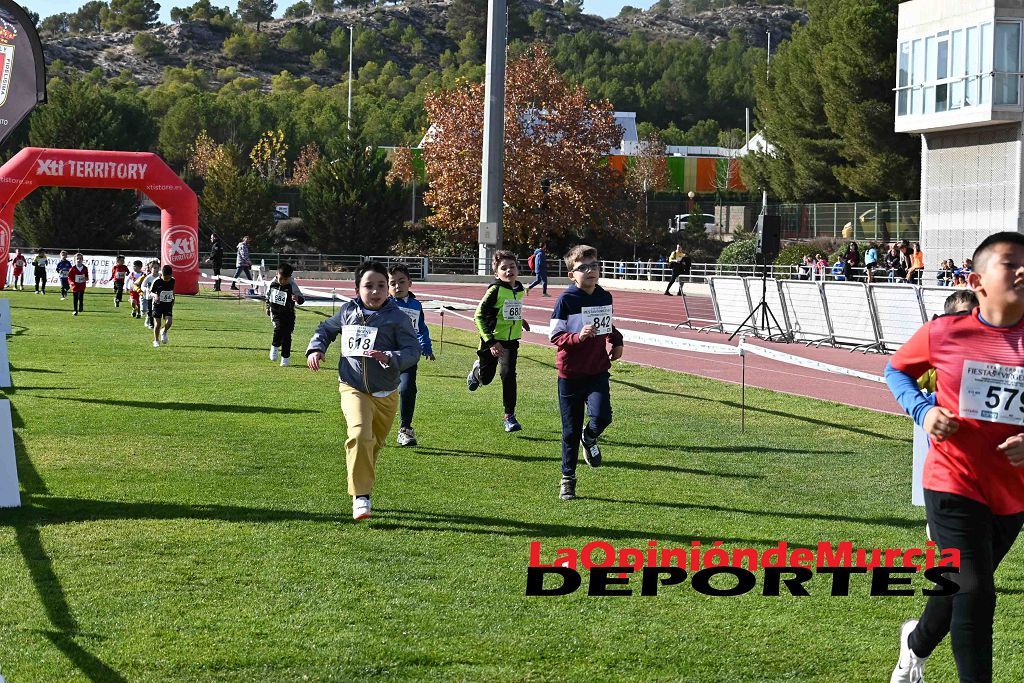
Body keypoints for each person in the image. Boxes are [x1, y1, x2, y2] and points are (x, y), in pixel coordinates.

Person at [884, 232, 1024, 683]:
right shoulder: (945, 332)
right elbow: (896, 370)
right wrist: (924, 411)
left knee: (961, 587)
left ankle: (915, 643)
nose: (1023, 271)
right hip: (952, 483)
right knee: (977, 592)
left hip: (1011, 492)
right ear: (976, 281)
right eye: (1011, 263)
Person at [305, 261, 421, 521]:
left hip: (387, 393)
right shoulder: (347, 311)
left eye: (381, 285)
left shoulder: (397, 318)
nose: (376, 291)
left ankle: (362, 484)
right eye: (369, 286)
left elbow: (413, 351)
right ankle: (361, 497)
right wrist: (316, 348)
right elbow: (326, 328)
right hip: (352, 386)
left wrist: (390, 356)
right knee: (359, 435)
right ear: (357, 288)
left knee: (373, 445)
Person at [549, 245, 624, 501]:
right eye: (583, 267)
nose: (590, 271)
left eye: (594, 265)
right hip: (570, 374)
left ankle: (589, 437)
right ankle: (567, 479)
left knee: (603, 417)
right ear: (572, 274)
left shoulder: (604, 296)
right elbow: (555, 335)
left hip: (597, 371)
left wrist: (617, 340)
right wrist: (577, 337)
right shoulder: (566, 300)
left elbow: (607, 324)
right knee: (569, 431)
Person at [466, 249, 531, 433]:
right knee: (486, 379)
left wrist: (520, 320)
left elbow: (510, 309)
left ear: (518, 269)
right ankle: (477, 370)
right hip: (492, 341)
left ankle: (509, 416)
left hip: (511, 342)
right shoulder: (494, 290)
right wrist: (491, 342)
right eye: (504, 268)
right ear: (497, 273)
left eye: (512, 267)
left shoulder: (519, 289)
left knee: (508, 376)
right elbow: (478, 316)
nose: (509, 271)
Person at [388, 264, 435, 447]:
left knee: (408, 389)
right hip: (386, 355)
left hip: (409, 354)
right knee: (381, 393)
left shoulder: (416, 305)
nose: (397, 286)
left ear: (410, 283)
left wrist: (427, 347)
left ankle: (405, 429)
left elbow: (421, 328)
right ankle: (371, 426)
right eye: (393, 283)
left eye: (401, 282)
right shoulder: (385, 304)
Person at [266, 262, 305, 367]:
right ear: (277, 274)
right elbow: (267, 296)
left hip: (289, 314)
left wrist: (297, 298)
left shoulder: (292, 285)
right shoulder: (272, 284)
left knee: (287, 336)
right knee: (278, 328)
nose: (283, 281)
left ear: (290, 278)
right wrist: (267, 307)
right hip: (275, 312)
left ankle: (285, 358)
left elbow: (302, 299)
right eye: (281, 278)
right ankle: (274, 347)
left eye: (285, 279)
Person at [149, 265, 175, 347]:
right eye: (165, 278)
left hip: (168, 304)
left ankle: (164, 331)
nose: (167, 280)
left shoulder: (173, 281)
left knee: (169, 322)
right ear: (162, 275)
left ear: (171, 275)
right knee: (158, 324)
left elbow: (172, 291)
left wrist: (173, 299)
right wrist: (155, 296)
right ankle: (156, 340)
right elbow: (151, 292)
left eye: (168, 278)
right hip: (158, 305)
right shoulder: (157, 281)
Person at [141, 261, 159, 329]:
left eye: (157, 268)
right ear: (151, 269)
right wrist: (146, 289)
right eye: (154, 268)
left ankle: (154, 322)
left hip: (157, 297)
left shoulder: (160, 277)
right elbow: (143, 286)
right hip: (149, 297)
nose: (156, 269)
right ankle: (151, 324)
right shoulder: (148, 277)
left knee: (156, 311)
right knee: (150, 310)